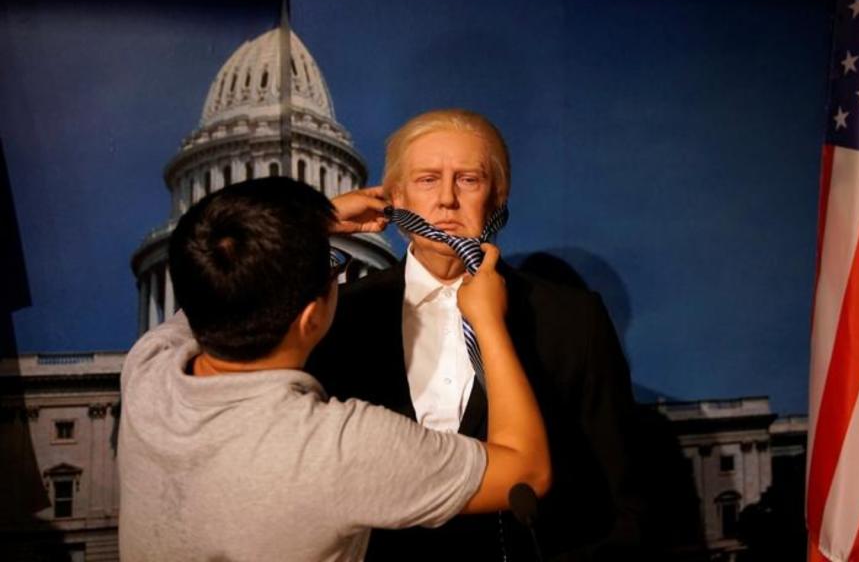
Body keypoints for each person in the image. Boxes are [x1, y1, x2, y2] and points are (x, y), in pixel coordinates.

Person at [117, 177, 550, 562]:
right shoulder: (340, 447)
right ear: (310, 319)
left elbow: (213, 285)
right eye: (332, 271)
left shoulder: (147, 369)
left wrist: (303, 226)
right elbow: (526, 471)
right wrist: (489, 323)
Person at [308, 109, 644, 561]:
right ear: (395, 196)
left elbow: (618, 498)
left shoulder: (572, 319)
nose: (447, 199)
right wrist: (311, 226)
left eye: (468, 180)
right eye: (427, 180)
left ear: (498, 197)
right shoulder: (338, 318)